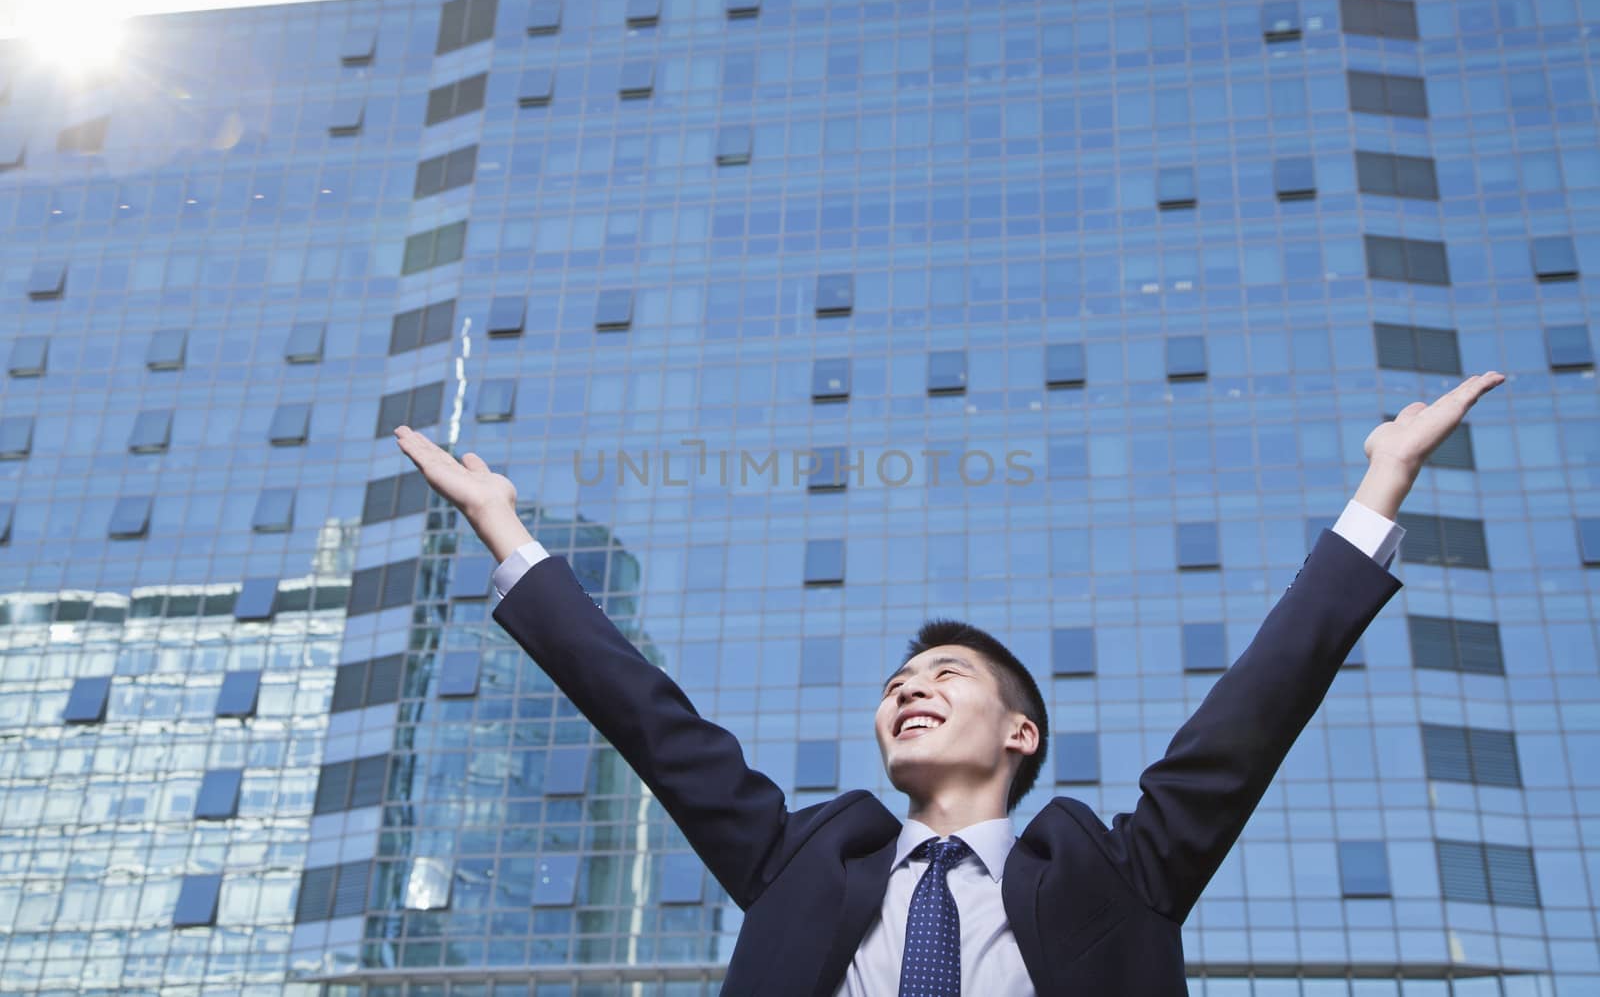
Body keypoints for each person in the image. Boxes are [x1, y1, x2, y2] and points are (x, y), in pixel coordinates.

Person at [395, 370, 1504, 996]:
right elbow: (646, 715)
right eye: (896, 680)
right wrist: (504, 529)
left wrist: (1382, 482)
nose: (907, 687)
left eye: (944, 672)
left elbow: (1253, 708)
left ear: (1020, 730)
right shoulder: (803, 855)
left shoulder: (1115, 866)